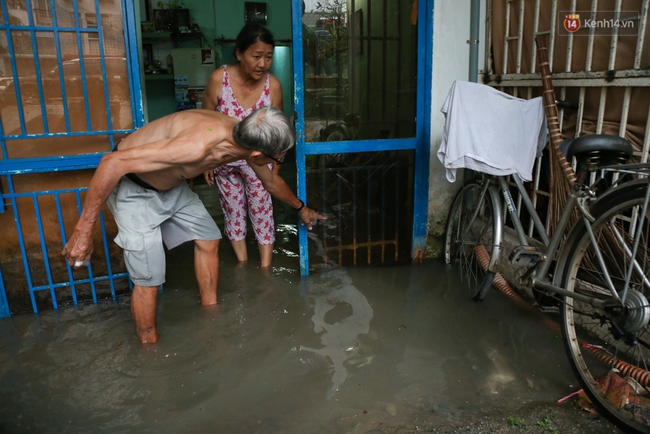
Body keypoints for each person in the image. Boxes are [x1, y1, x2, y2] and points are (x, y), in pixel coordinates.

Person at [61, 107, 326, 344]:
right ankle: (148, 345)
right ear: (258, 154)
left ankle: (210, 313)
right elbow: (111, 162)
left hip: (172, 188)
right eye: (277, 159)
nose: (275, 163)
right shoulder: (196, 146)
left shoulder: (243, 135)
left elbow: (270, 182)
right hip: (135, 190)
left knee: (209, 238)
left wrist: (301, 208)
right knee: (149, 278)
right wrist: (83, 230)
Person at [202, 24, 282, 269]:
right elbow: (205, 121)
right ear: (239, 53)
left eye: (268, 57)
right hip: (225, 162)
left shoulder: (273, 86)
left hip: (258, 163)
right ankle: (243, 265)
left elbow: (277, 130)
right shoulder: (219, 79)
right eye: (256, 56)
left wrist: (275, 165)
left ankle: (266, 269)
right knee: (233, 212)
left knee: (262, 212)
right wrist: (206, 160)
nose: (262, 63)